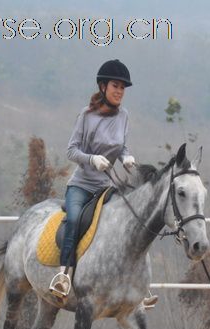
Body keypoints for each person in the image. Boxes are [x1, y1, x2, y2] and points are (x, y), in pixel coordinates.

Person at [49, 59, 147, 302]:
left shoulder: (124, 115)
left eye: (123, 88)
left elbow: (121, 146)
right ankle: (63, 276)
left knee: (128, 221)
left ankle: (136, 284)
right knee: (73, 220)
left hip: (106, 187)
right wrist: (92, 160)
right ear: (103, 87)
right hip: (82, 185)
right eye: (115, 86)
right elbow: (71, 151)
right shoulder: (87, 115)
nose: (119, 91)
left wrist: (126, 157)